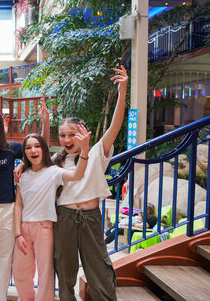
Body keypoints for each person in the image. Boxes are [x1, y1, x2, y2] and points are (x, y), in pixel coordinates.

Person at [52, 66, 129, 301]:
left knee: (100, 271)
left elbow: (115, 127)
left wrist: (123, 90)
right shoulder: (56, 161)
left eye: (72, 134)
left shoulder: (97, 153)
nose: (67, 139)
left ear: (84, 133)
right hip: (63, 218)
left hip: (90, 217)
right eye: (63, 135)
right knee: (65, 273)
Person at [0, 100, 49, 301]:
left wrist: (44, 123)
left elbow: (38, 150)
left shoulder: (11, 148)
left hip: (8, 210)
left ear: (0, 129)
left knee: (4, 262)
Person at [13, 128, 91, 301]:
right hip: (24, 229)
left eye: (37, 146)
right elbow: (18, 205)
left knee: (45, 275)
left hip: (45, 228)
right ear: (24, 152)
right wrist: (17, 232)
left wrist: (85, 149)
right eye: (28, 147)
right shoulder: (22, 176)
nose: (33, 150)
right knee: (19, 273)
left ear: (44, 149)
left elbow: (78, 175)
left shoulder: (53, 172)